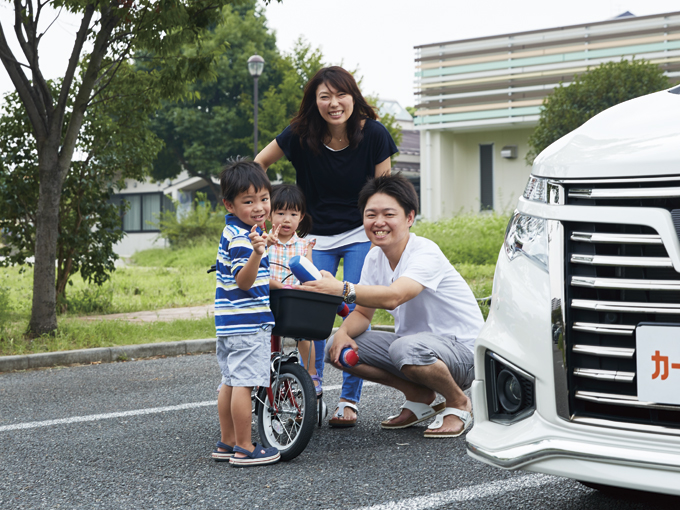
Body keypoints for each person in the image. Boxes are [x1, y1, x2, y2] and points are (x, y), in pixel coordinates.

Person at [255, 66, 398, 427]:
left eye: (341, 95)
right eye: (325, 96)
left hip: (358, 236)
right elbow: (259, 163)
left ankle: (349, 400)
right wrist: (261, 213)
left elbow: (385, 192)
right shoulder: (301, 135)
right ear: (314, 101)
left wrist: (384, 239)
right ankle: (311, 387)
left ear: (353, 97)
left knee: (354, 314)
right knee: (310, 313)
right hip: (313, 238)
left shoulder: (374, 135)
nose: (334, 103)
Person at [303, 174, 484, 438]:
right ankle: (419, 394)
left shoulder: (425, 252)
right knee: (335, 346)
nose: (378, 222)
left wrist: (341, 289)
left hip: (462, 354)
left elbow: (394, 296)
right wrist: (343, 333)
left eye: (389, 214)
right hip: (415, 349)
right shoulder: (374, 256)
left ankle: (458, 402)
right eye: (370, 214)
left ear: (410, 218)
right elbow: (363, 313)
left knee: (405, 347)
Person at [211, 158, 280, 467]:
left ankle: (227, 443)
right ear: (230, 204)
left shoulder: (237, 231)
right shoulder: (243, 239)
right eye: (248, 201)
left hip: (229, 324)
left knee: (230, 380)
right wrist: (257, 252)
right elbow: (244, 280)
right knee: (244, 383)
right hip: (248, 323)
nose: (259, 207)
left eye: (263, 199)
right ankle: (244, 447)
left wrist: (262, 245)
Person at [267, 184, 321, 395]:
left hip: (294, 299)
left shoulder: (304, 245)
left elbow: (309, 272)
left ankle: (311, 372)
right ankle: (250, 376)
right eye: (280, 213)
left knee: (305, 334)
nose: (286, 219)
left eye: (293, 213)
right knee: (258, 337)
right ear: (270, 215)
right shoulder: (264, 241)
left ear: (301, 217)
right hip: (268, 298)